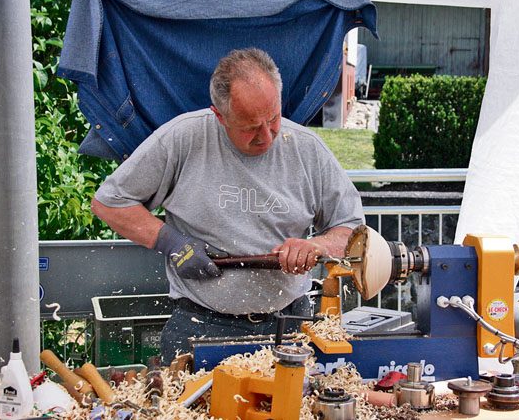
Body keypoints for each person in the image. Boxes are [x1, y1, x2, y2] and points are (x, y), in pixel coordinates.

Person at [91, 48, 364, 363]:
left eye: (273, 118)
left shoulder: (307, 149)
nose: (266, 136)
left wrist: (315, 245)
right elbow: (110, 202)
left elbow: (353, 232)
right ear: (219, 115)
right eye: (250, 127)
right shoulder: (184, 138)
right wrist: (171, 241)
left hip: (290, 325)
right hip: (201, 327)